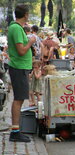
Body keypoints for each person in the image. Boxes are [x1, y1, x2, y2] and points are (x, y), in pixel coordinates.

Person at [7, 4, 36, 142]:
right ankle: (15, 131)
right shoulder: (16, 28)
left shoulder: (16, 28)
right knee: (18, 99)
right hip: (18, 67)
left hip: (21, 67)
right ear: (25, 15)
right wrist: (30, 42)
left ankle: (16, 129)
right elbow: (21, 51)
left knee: (20, 98)